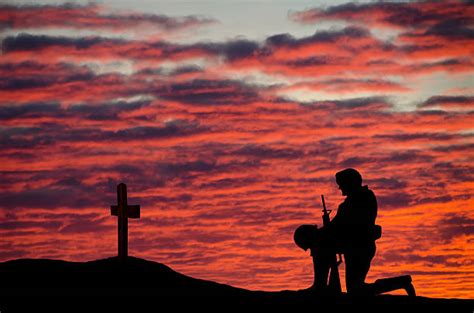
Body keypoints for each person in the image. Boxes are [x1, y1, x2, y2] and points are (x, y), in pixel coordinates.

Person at [294, 168, 381, 295]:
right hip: (355, 246)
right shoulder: (357, 199)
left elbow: (341, 226)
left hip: (359, 247)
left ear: (350, 183)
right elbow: (338, 226)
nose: (340, 188)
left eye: (341, 184)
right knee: (356, 289)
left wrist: (319, 232)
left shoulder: (359, 200)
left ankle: (320, 286)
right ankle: (320, 285)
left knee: (356, 289)